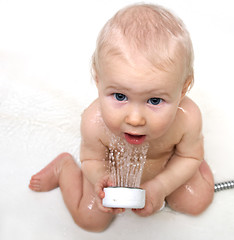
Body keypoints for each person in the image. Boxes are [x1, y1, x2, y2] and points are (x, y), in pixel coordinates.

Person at [29, 3, 214, 232]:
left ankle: (196, 153)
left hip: (165, 166)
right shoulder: (94, 122)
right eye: (119, 96)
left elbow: (188, 157)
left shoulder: (187, 119)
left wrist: (162, 185)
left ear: (183, 88)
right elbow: (92, 160)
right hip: (113, 173)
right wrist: (100, 179)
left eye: (154, 101)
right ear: (98, 80)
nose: (135, 119)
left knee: (196, 201)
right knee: (91, 220)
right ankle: (63, 169)